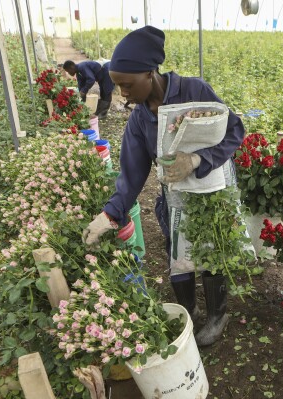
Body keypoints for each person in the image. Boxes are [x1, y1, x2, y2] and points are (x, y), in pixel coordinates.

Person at [81, 26, 245, 347]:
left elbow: (235, 130)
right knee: (178, 252)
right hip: (175, 196)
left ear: (150, 73)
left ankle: (217, 314)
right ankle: (189, 309)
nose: (122, 93)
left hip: (211, 188)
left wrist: (197, 160)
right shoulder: (140, 121)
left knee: (211, 249)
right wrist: (108, 216)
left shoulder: (193, 91)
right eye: (117, 85)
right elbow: (130, 176)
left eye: (127, 85)